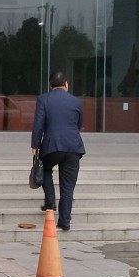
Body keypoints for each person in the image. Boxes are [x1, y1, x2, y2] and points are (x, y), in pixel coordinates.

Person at [31, 69, 85, 231]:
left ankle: (50, 202)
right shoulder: (76, 101)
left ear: (51, 85)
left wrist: (35, 145)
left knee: (44, 170)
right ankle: (65, 221)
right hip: (73, 146)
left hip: (52, 145)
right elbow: (79, 123)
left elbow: (38, 124)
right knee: (68, 187)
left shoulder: (43, 99)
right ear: (66, 84)